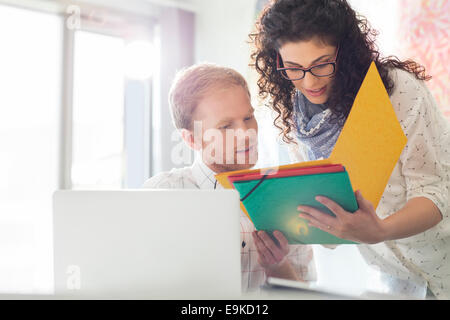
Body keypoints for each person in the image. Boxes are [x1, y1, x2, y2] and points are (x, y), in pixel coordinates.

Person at [249, 0, 450, 299]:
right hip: (392, 277)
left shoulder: (396, 91)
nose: (310, 81)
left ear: (346, 52)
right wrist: (288, 236)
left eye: (321, 64)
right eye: (293, 68)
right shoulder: (297, 119)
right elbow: (330, 219)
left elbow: (437, 193)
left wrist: (380, 230)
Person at [142, 63, 316, 293]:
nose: (246, 135)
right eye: (225, 127)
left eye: (248, 117)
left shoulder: (284, 196)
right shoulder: (163, 194)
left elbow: (304, 297)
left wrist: (278, 267)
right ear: (191, 139)